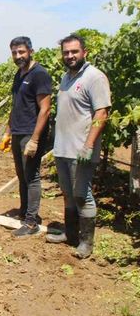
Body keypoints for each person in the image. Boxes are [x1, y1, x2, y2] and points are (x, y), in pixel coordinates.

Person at [46, 33, 111, 258]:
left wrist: (89, 145)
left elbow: (102, 112)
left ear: (85, 52)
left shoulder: (94, 77)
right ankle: (70, 234)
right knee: (67, 193)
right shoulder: (66, 77)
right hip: (62, 148)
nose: (70, 55)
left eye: (74, 51)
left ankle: (86, 243)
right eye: (66, 52)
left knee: (82, 194)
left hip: (81, 150)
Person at [0, 36, 52, 237]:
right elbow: (15, 106)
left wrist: (35, 139)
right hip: (18, 132)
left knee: (32, 176)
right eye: (14, 52)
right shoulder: (19, 74)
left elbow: (45, 110)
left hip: (31, 133)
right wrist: (7, 132)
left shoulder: (39, 74)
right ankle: (24, 214)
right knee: (22, 176)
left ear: (31, 51)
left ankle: (31, 222)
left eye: (21, 52)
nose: (18, 56)